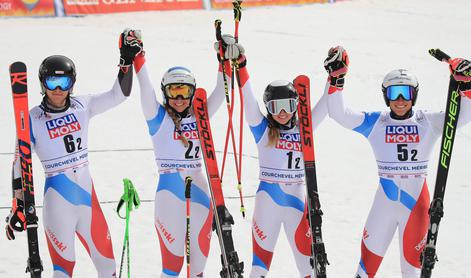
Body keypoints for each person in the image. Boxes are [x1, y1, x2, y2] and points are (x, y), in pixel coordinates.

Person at [5, 29, 143, 277]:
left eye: (64, 83)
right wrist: (18, 202)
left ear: (72, 84)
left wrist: (126, 63)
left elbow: (119, 94)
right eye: (51, 83)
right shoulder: (32, 119)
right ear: (42, 84)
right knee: (63, 271)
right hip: (58, 205)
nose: (58, 90)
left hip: (89, 203)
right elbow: (19, 164)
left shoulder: (83, 106)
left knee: (108, 268)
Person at [324, 46, 471, 277]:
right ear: (386, 96)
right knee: (364, 271)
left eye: (406, 93)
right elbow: (338, 114)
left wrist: (467, 86)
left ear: (414, 95)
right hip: (384, 203)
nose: (400, 100)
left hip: (417, 207)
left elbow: (462, 117)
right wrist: (336, 79)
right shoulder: (376, 122)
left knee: (412, 273)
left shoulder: (427, 122)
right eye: (394, 93)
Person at [216, 36, 328, 277]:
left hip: (298, 201)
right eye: (276, 107)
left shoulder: (304, 128)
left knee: (308, 267)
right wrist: (241, 65)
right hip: (268, 200)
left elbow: (326, 104)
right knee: (259, 267)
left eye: (288, 105)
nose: (284, 113)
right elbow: (247, 99)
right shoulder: (262, 129)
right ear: (268, 108)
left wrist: (335, 79)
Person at [132, 33, 228, 277]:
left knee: (197, 270)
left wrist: (224, 59)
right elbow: (145, 87)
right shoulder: (157, 117)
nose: (179, 98)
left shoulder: (201, 116)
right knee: (172, 268)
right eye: (173, 91)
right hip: (169, 196)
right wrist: (138, 56)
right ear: (165, 92)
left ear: (193, 92)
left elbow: (222, 88)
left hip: (201, 195)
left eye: (185, 92)